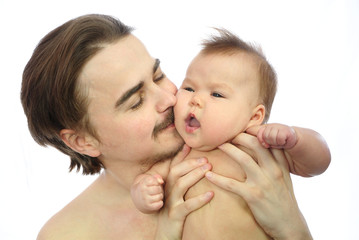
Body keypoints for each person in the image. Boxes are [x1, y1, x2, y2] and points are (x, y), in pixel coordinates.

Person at [21, 14, 316, 240]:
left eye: (159, 75)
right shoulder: (69, 235)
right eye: (136, 101)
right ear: (82, 141)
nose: (169, 98)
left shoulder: (255, 164)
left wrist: (293, 228)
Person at [131, 29, 331, 239]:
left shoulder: (260, 144)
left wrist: (296, 138)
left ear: (254, 117)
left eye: (216, 93)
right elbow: (147, 181)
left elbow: (319, 162)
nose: (195, 99)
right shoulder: (178, 152)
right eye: (189, 88)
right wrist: (143, 192)